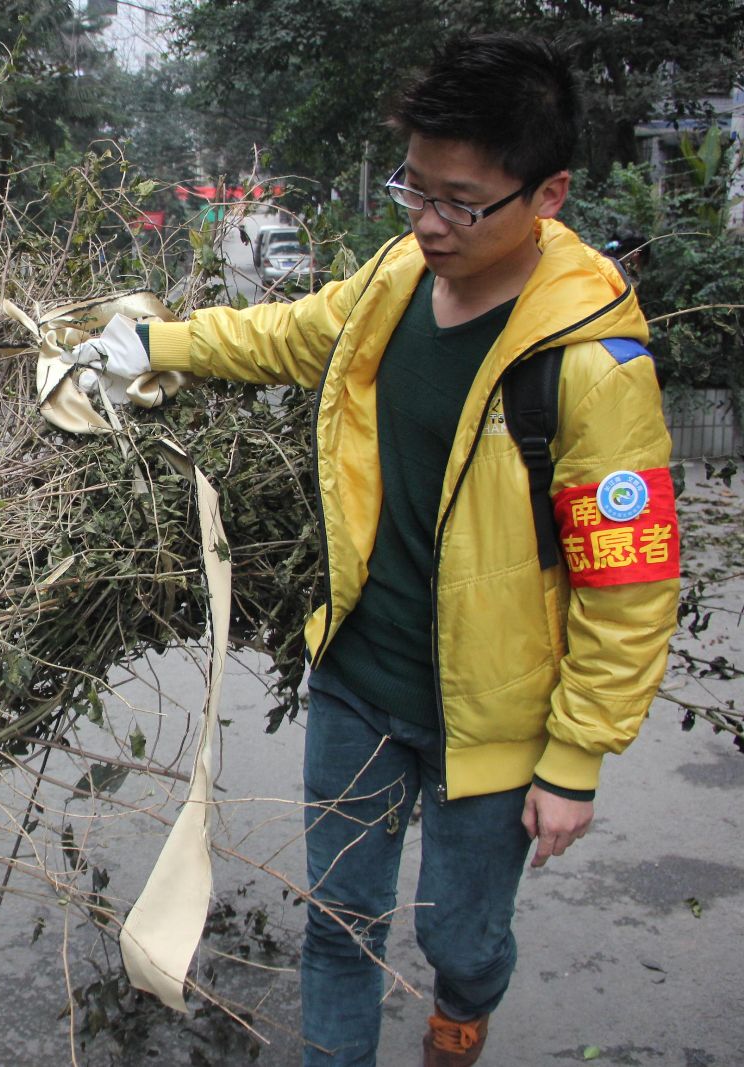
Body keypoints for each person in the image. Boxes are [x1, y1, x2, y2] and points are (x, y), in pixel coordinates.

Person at [65, 34, 678, 1067]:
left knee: (459, 937)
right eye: (415, 189)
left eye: (460, 202)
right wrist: (155, 344)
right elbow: (291, 334)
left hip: (492, 715)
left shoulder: (593, 364)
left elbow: (629, 587)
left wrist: (575, 760)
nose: (428, 222)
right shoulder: (398, 277)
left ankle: (464, 1007)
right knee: (339, 920)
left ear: (549, 194)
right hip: (357, 674)